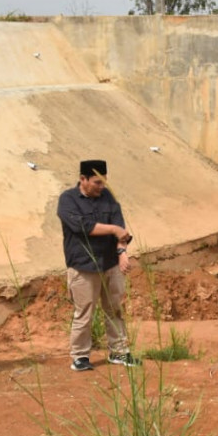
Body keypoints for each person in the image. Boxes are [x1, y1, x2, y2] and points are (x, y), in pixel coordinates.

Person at [56, 159, 140, 371]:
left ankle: (119, 352)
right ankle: (80, 356)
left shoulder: (108, 197)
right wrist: (112, 230)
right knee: (84, 313)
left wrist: (122, 252)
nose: (101, 187)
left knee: (115, 310)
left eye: (103, 182)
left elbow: (120, 228)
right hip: (83, 267)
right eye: (96, 183)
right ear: (82, 179)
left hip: (110, 264)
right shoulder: (68, 200)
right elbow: (82, 227)